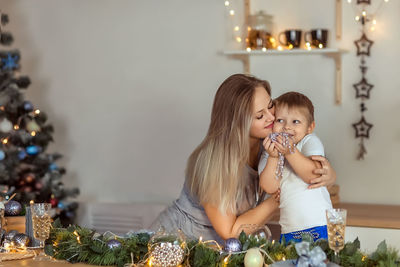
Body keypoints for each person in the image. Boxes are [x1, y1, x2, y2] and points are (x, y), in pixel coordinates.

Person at [151, 74, 336, 244]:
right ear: (238, 123)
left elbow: (305, 172)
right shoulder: (215, 161)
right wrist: (274, 201)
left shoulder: (271, 142)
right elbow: (231, 232)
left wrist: (329, 176)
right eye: (260, 115)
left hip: (222, 251)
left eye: (271, 105)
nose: (272, 117)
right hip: (174, 244)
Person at [258, 91, 332, 243]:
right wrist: (273, 157)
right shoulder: (270, 151)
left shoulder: (309, 141)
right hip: (289, 229)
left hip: (319, 224)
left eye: (295, 122)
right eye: (280, 120)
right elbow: (270, 187)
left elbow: (313, 175)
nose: (286, 127)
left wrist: (290, 152)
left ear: (310, 127)